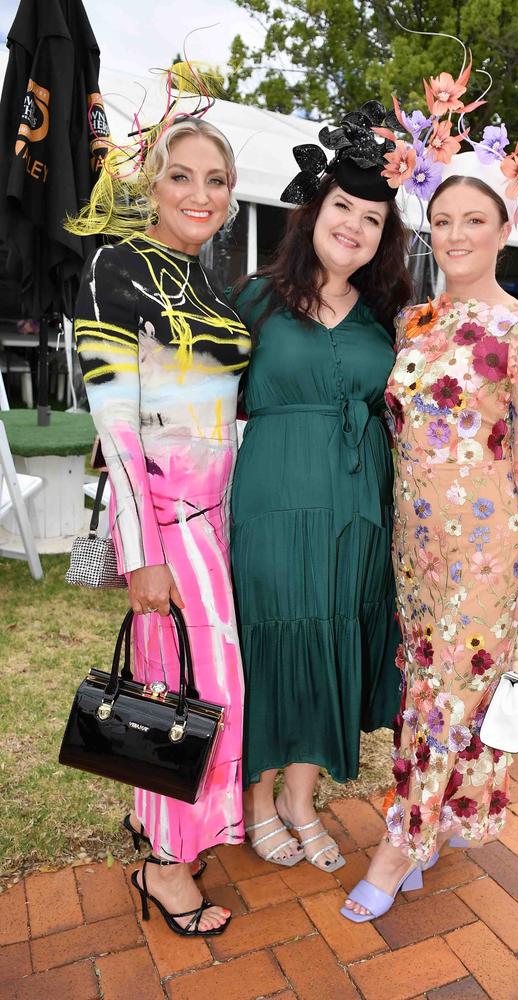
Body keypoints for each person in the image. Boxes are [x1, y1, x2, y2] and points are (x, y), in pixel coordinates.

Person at [343, 65, 518, 919]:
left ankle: (401, 837)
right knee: (423, 687)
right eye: (442, 220)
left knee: (446, 691)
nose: (456, 233)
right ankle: (426, 822)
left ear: (506, 227)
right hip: (416, 543)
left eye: (474, 219)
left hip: (488, 552)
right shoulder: (417, 322)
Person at [69, 102, 251, 935]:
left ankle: (163, 832)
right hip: (164, 520)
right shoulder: (114, 266)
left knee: (179, 687)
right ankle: (167, 868)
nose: (200, 193)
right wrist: (141, 552)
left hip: (213, 520)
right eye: (183, 176)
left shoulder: (208, 279)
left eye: (216, 180)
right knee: (204, 692)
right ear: (153, 182)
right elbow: (114, 422)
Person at [228, 105, 413, 870]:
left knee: (335, 630)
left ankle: (302, 797)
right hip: (273, 501)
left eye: (372, 220)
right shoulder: (253, 300)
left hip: (357, 510)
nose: (355, 227)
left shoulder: (389, 316)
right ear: (313, 211)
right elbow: (198, 410)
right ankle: (255, 797)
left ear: (382, 237)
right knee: (272, 638)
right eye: (343, 207)